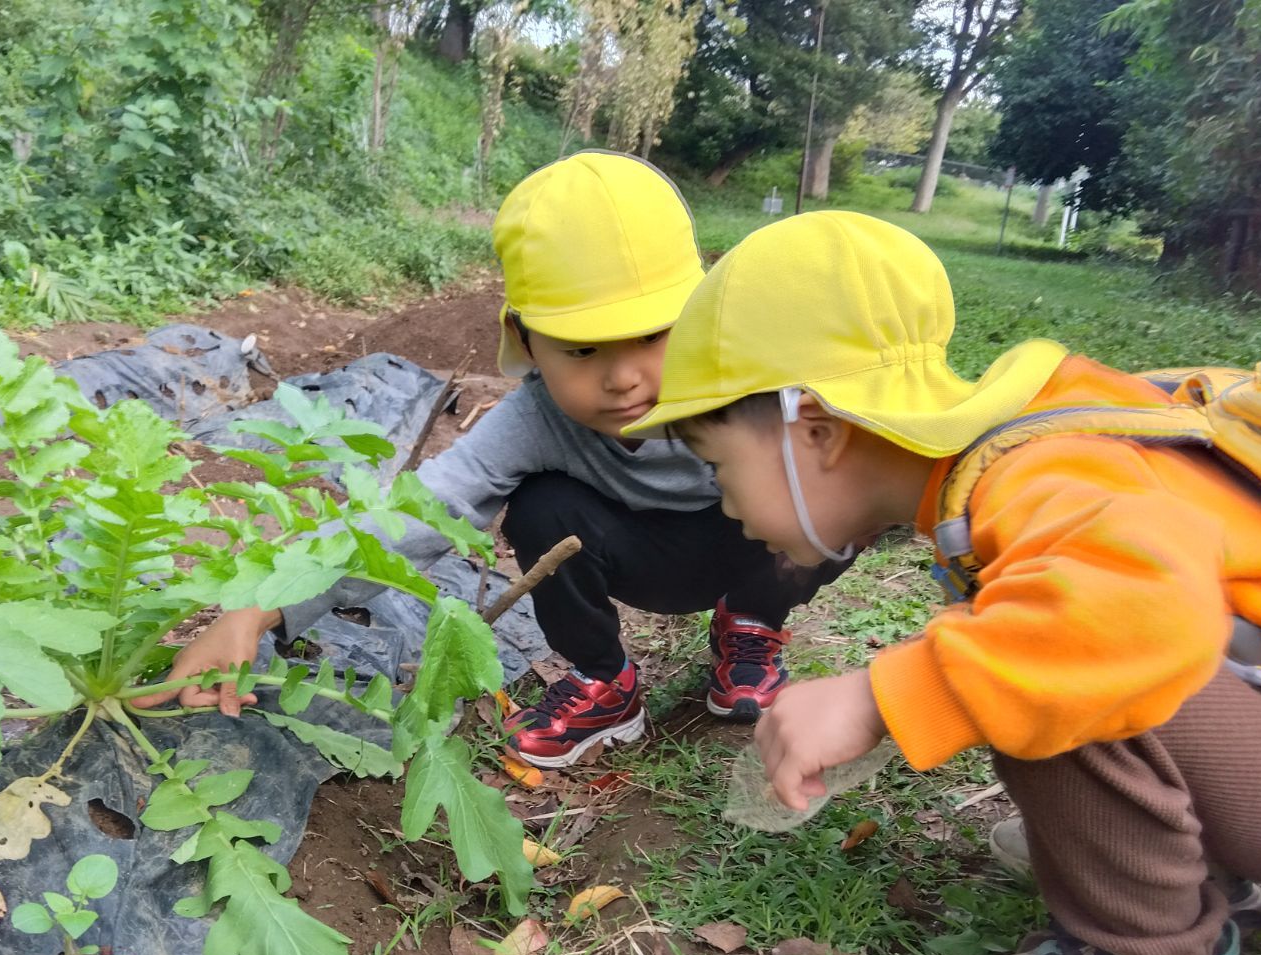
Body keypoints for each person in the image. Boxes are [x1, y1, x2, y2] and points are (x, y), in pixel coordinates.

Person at [621, 210, 1261, 955]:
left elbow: (1141, 624)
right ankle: (1163, 856)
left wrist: (879, 696)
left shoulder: (1038, 471)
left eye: (717, 464)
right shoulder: (1025, 450)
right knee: (1014, 637)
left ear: (814, 427)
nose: (723, 500)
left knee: (1046, 644)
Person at [134, 152, 851, 766]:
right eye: (582, 349)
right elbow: (416, 514)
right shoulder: (535, 419)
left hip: (760, 550)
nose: (625, 376)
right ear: (525, 341)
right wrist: (257, 610)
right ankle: (607, 680)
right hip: (644, 561)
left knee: (828, 479)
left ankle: (753, 623)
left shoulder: (758, 383)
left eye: (654, 335)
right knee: (541, 506)